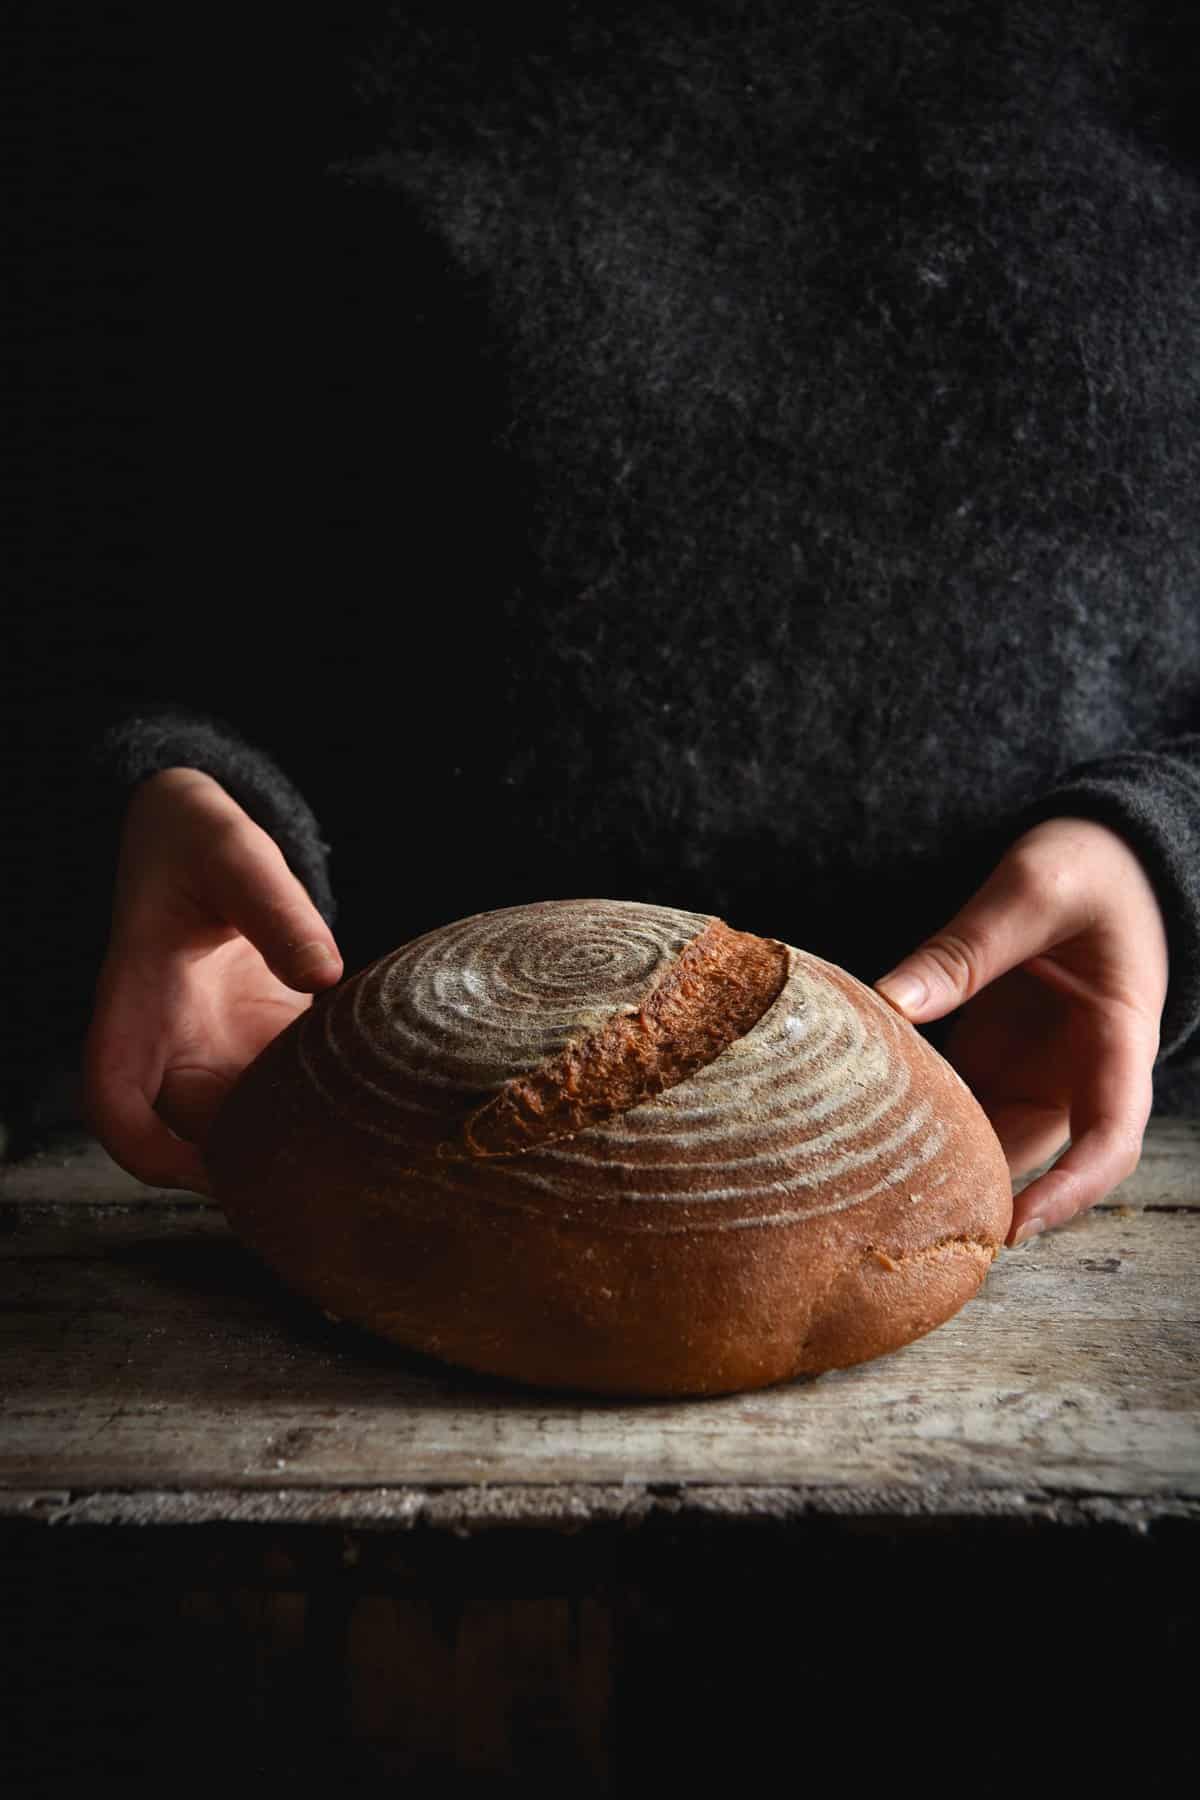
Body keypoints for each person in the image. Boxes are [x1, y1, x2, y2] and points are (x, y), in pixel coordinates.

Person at [10, 2, 1198, 1256]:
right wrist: (131, 794)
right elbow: (73, 552)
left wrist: (1171, 849)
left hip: (1086, 1184)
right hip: (323, 1149)